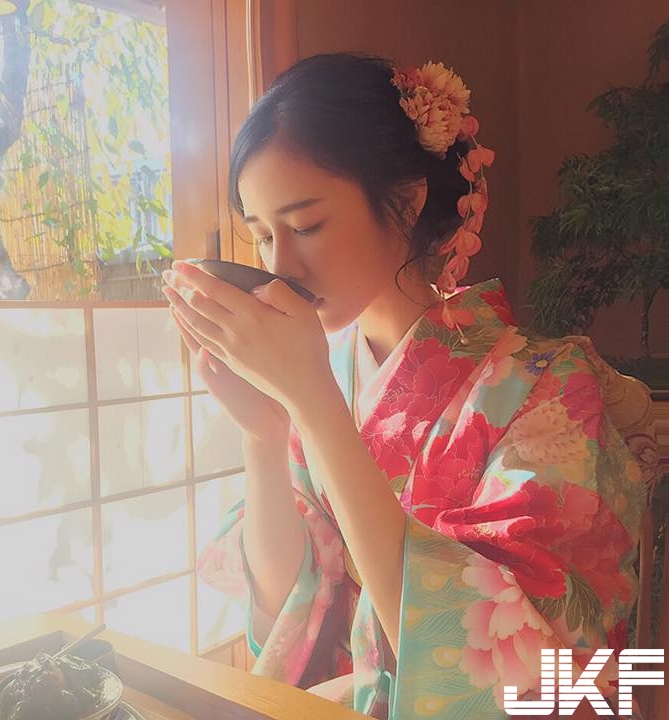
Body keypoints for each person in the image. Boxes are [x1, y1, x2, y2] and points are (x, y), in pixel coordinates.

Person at [160, 53, 645, 719]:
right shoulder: (323, 372)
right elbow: (288, 610)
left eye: (306, 225)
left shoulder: (549, 386)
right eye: (263, 236)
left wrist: (312, 403)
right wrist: (265, 437)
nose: (280, 265)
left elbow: (535, 678)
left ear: (409, 202)